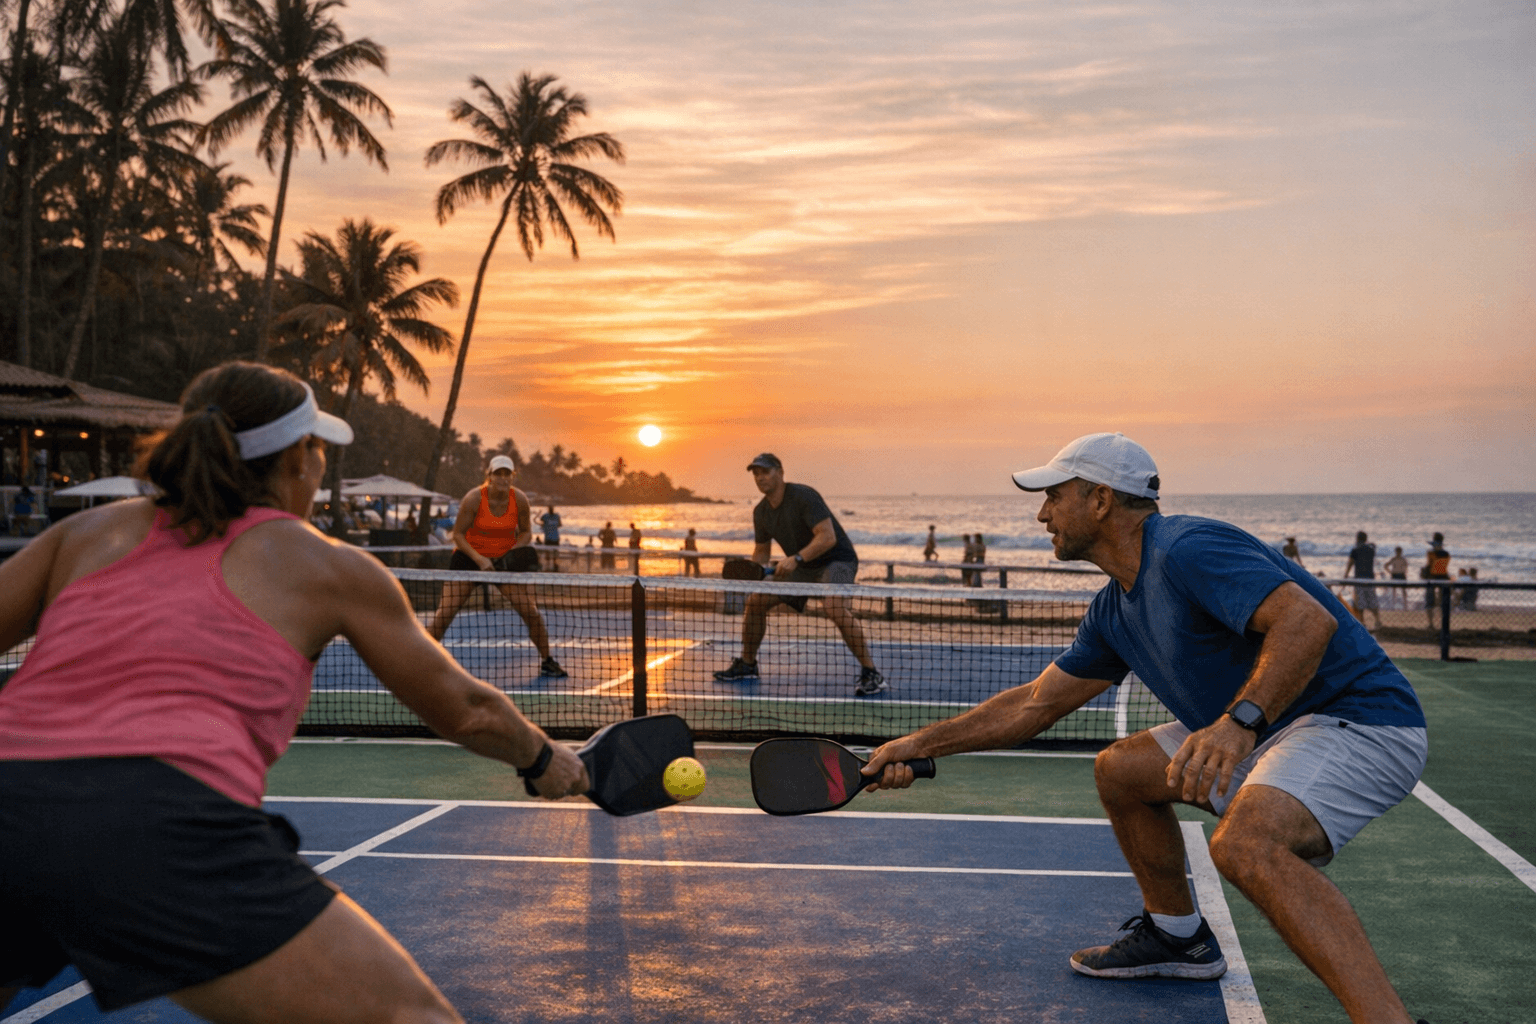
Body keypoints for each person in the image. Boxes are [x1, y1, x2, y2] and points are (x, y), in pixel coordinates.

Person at [0, 363, 587, 1023]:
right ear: (296, 464)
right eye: (317, 450)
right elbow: (467, 708)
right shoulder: (326, 564)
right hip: (158, 821)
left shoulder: (84, 534)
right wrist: (543, 759)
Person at [862, 433, 1428, 1024]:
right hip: (1267, 728)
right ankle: (1178, 937)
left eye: (1055, 496)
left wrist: (1239, 725)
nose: (1042, 513)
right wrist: (919, 744)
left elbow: (1307, 622)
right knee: (1121, 770)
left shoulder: (1188, 547)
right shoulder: (1114, 608)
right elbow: (1034, 704)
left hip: (1360, 722)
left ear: (1101, 499)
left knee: (1245, 845)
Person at [714, 453, 885, 696]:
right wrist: (755, 573)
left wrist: (797, 558)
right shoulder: (761, 512)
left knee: (833, 606)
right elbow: (762, 551)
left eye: (766, 471)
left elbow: (827, 537)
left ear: (781, 472)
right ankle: (748, 664)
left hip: (836, 560)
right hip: (803, 567)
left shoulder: (804, 496)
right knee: (755, 601)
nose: (760, 477)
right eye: (756, 474)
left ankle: (872, 673)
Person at [427, 456, 566, 679]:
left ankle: (547, 661)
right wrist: (480, 560)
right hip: (469, 559)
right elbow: (458, 535)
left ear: (513, 476)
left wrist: (511, 553)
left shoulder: (519, 500)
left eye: (507, 474)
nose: (502, 478)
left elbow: (526, 532)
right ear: (489, 476)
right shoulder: (473, 499)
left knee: (531, 613)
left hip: (503, 563)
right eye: (498, 473)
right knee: (444, 615)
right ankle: (420, 662)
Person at [1343, 531, 1381, 631]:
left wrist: (1345, 576)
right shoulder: (1370, 550)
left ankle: (1362, 622)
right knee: (1372, 601)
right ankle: (1377, 620)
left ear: (1357, 538)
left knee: (1360, 603)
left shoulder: (1355, 550)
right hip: (1370, 579)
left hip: (1359, 579)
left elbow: (1350, 564)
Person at [1422, 533, 1451, 627]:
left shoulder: (1430, 553)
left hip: (1432, 577)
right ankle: (1443, 624)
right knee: (1443, 602)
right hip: (1444, 577)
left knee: (1429, 601)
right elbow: (1443, 567)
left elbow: (1429, 565)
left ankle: (1430, 623)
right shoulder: (1446, 554)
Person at [538, 505, 562, 572]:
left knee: (555, 551)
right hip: (548, 536)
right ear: (548, 509)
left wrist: (551, 526)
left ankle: (554, 564)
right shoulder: (545, 516)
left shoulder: (557, 516)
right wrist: (544, 525)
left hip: (555, 537)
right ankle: (548, 564)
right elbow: (541, 520)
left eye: (551, 509)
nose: (551, 510)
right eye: (550, 509)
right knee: (547, 551)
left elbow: (560, 524)